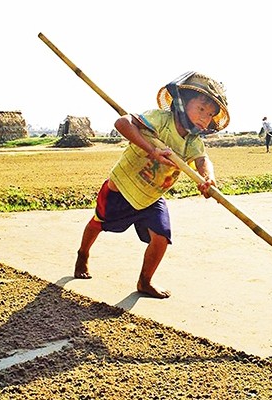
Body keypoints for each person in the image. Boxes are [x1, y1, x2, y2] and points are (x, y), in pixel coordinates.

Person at [73, 71, 230, 299]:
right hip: (122, 189)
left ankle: (145, 281)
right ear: (182, 102)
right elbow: (122, 122)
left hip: (152, 197)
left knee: (161, 237)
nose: (204, 117)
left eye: (210, 114)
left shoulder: (193, 141)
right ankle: (83, 253)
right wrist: (152, 150)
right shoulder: (160, 119)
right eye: (201, 109)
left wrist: (208, 178)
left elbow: (202, 160)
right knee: (98, 222)